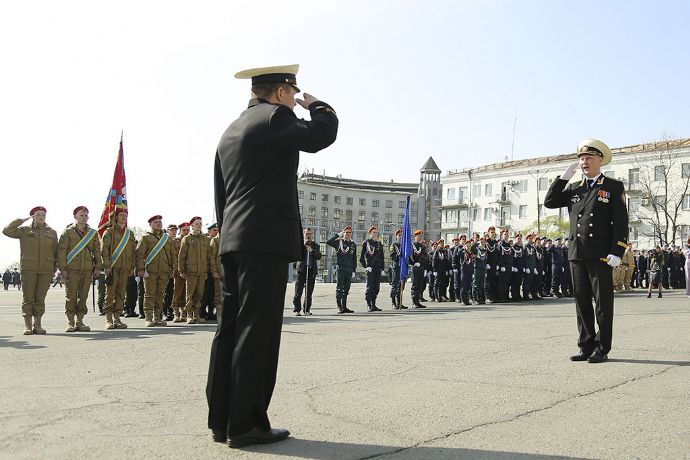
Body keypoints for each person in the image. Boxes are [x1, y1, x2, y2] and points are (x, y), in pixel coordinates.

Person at [207, 64, 338, 448]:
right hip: (263, 242)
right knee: (257, 331)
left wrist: (228, 234)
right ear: (282, 92)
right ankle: (247, 424)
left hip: (234, 239)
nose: (294, 102)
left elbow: (221, 192)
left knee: (229, 329)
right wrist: (320, 107)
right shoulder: (275, 117)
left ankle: (222, 420)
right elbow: (319, 136)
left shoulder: (231, 129)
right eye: (292, 94)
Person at [544, 139, 628, 364]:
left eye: (589, 158)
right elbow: (549, 202)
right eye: (581, 159)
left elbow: (620, 222)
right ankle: (586, 344)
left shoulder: (612, 187)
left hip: (600, 254)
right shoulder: (574, 188)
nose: (584, 162)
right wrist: (563, 179)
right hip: (577, 253)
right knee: (581, 302)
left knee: (602, 304)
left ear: (600, 160)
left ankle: (602, 347)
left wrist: (617, 251)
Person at [3, 207, 58, 334]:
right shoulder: (24, 230)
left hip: (46, 269)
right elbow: (6, 231)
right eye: (38, 214)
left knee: (40, 298)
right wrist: (21, 220)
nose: (41, 216)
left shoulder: (52, 232)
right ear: (32, 216)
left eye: (43, 214)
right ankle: (27, 326)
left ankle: (37, 325)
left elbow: (56, 251)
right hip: (28, 269)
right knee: (28, 298)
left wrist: (55, 268)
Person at [57, 206, 103, 332]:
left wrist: (98, 267)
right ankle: (71, 322)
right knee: (71, 296)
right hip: (72, 270)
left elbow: (97, 252)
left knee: (83, 296)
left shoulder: (92, 233)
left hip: (87, 269)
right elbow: (61, 251)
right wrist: (62, 268)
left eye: (86, 215)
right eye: (81, 215)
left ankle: (80, 321)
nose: (84, 218)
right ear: (75, 216)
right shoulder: (67, 232)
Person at [136, 215, 177, 327]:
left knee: (160, 295)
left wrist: (173, 268)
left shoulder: (167, 238)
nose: (158, 224)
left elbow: (173, 254)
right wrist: (140, 269)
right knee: (149, 295)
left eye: (160, 222)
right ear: (150, 224)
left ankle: (157, 317)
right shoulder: (145, 238)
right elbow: (140, 255)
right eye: (155, 222)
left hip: (164, 271)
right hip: (150, 271)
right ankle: (149, 318)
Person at [101, 208, 136, 330]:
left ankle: (117, 318)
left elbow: (132, 251)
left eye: (125, 215)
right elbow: (104, 250)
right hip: (113, 268)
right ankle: (109, 319)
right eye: (121, 215)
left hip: (125, 268)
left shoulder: (129, 233)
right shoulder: (109, 232)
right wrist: (106, 265)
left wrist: (132, 267)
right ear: (115, 217)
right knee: (110, 294)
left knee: (121, 294)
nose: (123, 217)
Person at [179, 216, 216, 324]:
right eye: (197, 224)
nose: (199, 225)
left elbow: (209, 256)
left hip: (202, 271)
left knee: (199, 294)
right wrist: (181, 270)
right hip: (191, 271)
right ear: (192, 226)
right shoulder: (187, 239)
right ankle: (189, 315)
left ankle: (197, 314)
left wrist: (208, 270)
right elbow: (182, 256)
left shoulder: (206, 239)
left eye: (200, 223)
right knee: (189, 293)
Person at [292, 228, 321, 316]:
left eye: (310, 234)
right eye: (307, 234)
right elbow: (295, 255)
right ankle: (297, 309)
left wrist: (311, 250)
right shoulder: (300, 244)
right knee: (298, 291)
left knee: (309, 292)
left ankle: (306, 309)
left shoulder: (315, 245)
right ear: (304, 234)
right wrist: (303, 248)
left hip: (311, 270)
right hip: (301, 270)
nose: (308, 235)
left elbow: (319, 256)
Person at [327, 227, 356, 314]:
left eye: (349, 232)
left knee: (346, 288)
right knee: (340, 288)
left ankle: (344, 306)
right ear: (343, 233)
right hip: (341, 267)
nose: (347, 234)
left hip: (349, 268)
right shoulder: (339, 241)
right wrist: (338, 234)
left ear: (351, 233)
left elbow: (354, 258)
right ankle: (340, 307)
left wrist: (354, 270)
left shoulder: (353, 244)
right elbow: (329, 242)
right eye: (346, 232)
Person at [360, 226, 384, 312]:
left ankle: (374, 304)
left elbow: (382, 257)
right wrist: (366, 266)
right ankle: (369, 304)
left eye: (376, 232)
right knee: (370, 287)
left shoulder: (379, 244)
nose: (375, 234)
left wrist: (382, 268)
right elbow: (362, 257)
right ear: (370, 233)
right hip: (370, 268)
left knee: (376, 287)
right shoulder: (366, 243)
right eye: (373, 232)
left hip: (377, 268)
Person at [172, 222, 189, 322]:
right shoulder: (176, 241)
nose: (186, 232)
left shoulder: (191, 239)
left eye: (188, 230)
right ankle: (176, 313)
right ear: (180, 230)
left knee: (186, 292)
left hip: (189, 269)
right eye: (184, 230)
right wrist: (174, 268)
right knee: (178, 291)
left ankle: (184, 313)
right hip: (178, 270)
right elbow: (174, 255)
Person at [163, 224, 179, 321]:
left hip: (174, 269)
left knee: (172, 292)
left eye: (175, 230)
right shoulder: (164, 240)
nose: (174, 231)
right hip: (165, 269)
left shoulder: (178, 241)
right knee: (165, 293)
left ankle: (170, 311)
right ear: (168, 231)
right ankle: (165, 312)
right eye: (172, 230)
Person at [408, 230, 428, 308]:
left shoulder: (423, 247)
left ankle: (418, 301)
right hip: (415, 268)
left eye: (420, 236)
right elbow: (409, 256)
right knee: (415, 285)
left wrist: (425, 268)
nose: (419, 237)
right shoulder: (412, 246)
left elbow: (425, 258)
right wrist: (414, 263)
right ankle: (414, 302)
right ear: (415, 237)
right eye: (418, 236)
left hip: (422, 268)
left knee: (420, 285)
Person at [389, 229, 407, 309]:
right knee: (395, 285)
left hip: (402, 267)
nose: (400, 236)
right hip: (395, 267)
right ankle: (393, 302)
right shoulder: (394, 244)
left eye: (402, 235)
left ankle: (399, 303)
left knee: (401, 286)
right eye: (399, 235)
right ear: (396, 236)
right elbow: (392, 256)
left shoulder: (404, 245)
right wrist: (399, 255)